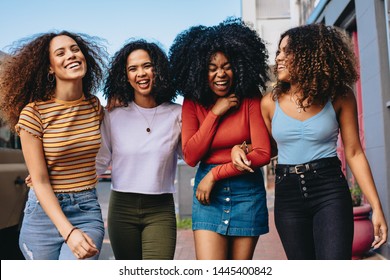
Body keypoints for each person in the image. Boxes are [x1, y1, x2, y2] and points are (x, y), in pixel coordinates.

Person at [233, 23, 388, 259]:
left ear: (309, 54)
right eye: (279, 52)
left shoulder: (340, 95)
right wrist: (240, 148)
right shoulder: (268, 103)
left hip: (329, 190)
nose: (279, 58)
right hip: (288, 195)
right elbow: (267, 149)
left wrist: (376, 208)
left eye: (287, 51)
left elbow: (354, 153)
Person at [169, 17, 271, 260]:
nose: (220, 74)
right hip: (208, 199)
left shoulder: (249, 98)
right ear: (199, 72)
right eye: (212, 69)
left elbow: (263, 153)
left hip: (247, 193)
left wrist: (215, 174)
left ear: (238, 65)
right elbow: (192, 156)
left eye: (226, 66)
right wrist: (215, 112)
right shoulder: (193, 103)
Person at [0, 31, 108, 260]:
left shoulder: (94, 107)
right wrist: (68, 232)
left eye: (75, 49)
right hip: (42, 214)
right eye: (60, 53)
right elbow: (39, 180)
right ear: (50, 67)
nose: (71, 55)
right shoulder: (33, 113)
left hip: (85, 209)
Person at [96, 39, 181, 260]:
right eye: (132, 68)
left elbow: (193, 155)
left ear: (158, 69)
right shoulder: (113, 115)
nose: (140, 73)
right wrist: (56, 175)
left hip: (160, 208)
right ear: (125, 76)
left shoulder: (177, 114)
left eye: (147, 65)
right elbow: (99, 162)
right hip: (121, 208)